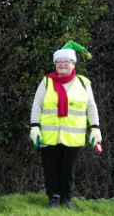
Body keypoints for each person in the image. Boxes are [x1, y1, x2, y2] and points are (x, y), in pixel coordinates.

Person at [29, 41, 101, 210]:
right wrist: (34, 126)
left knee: (69, 170)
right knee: (51, 168)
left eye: (66, 62)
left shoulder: (83, 83)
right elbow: (36, 105)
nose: (62, 65)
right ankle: (53, 198)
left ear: (73, 64)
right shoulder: (46, 82)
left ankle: (66, 199)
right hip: (49, 134)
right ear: (55, 64)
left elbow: (91, 107)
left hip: (73, 136)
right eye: (59, 62)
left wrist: (96, 128)